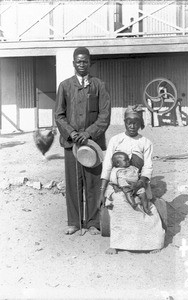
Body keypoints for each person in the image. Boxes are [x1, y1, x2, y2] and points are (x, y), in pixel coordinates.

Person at [55, 47, 111, 235]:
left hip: (92, 143)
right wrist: (71, 133)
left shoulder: (99, 85)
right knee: (73, 182)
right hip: (71, 143)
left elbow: (105, 115)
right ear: (73, 63)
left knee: (93, 182)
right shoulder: (64, 86)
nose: (82, 64)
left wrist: (88, 133)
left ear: (90, 63)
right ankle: (74, 222)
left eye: (85, 61)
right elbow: (59, 115)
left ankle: (93, 222)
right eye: (78, 61)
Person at [99, 105, 165, 254]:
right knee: (118, 203)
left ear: (140, 123)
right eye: (129, 121)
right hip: (117, 185)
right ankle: (117, 243)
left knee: (147, 207)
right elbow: (107, 166)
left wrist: (139, 184)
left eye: (135, 122)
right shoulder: (116, 140)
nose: (132, 125)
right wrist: (102, 191)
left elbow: (148, 167)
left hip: (139, 183)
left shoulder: (146, 143)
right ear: (124, 122)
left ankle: (152, 243)